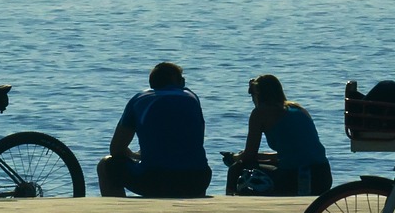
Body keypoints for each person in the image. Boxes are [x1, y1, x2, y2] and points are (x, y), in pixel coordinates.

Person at [97, 61, 212, 198]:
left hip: (154, 179)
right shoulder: (192, 98)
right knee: (194, 164)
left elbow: (116, 149)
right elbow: (197, 139)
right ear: (178, 82)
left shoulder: (139, 99)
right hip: (198, 179)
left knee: (106, 165)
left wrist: (136, 155)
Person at [226, 74, 332, 196]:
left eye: (252, 95)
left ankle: (230, 200)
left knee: (237, 169)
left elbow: (249, 156)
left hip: (296, 178)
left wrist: (234, 158)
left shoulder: (259, 114)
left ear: (259, 95)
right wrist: (255, 156)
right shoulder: (298, 109)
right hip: (322, 176)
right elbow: (295, 154)